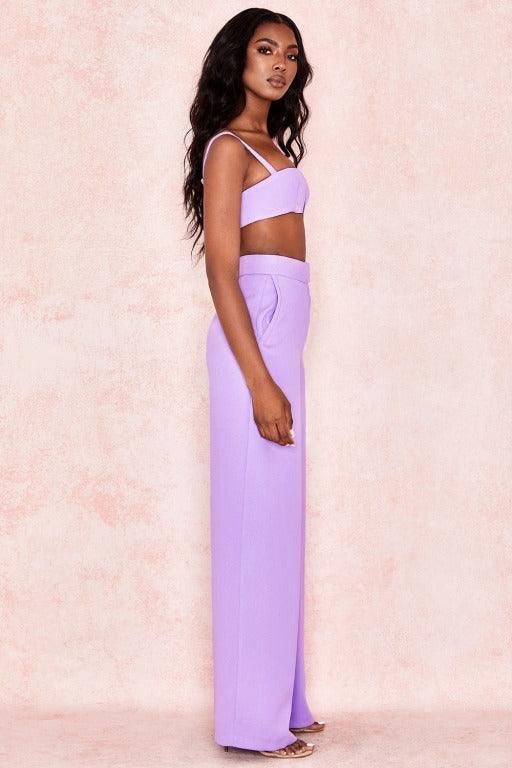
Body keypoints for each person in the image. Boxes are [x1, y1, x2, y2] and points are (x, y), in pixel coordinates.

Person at [183, 8, 325, 759]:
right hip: (254, 338)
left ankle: (280, 700)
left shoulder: (276, 145)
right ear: (236, 59)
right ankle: (248, 723)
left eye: (291, 54)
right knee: (252, 524)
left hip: (282, 334)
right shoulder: (228, 147)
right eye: (266, 49)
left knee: (276, 524)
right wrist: (261, 382)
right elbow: (221, 269)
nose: (280, 64)